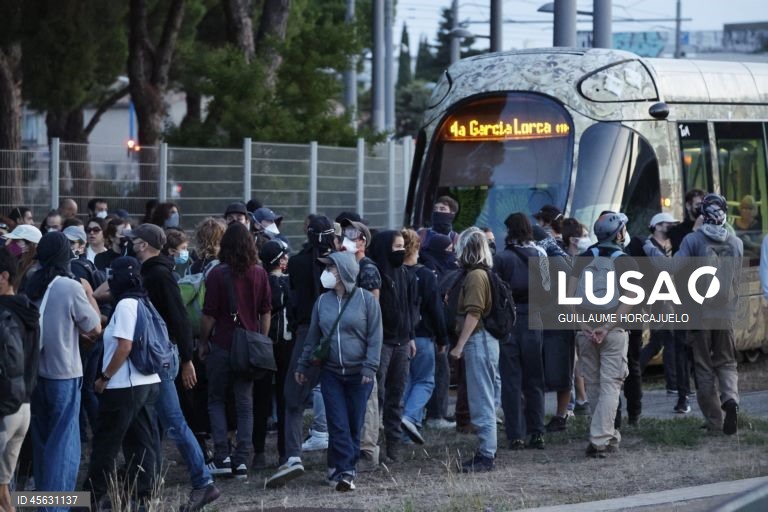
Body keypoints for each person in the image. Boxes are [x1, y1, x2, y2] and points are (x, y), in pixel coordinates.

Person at [125, 223, 219, 502]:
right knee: (152, 421)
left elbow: (178, 316)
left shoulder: (158, 275)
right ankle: (149, 482)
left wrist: (188, 360)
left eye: (135, 241)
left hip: (162, 358)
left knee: (174, 422)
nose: (131, 244)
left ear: (143, 245)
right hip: (160, 356)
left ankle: (203, 481)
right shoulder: (154, 272)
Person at [645, 194, 743, 435]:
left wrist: (649, 249)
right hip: (724, 312)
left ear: (703, 215)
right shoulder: (736, 242)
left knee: (703, 367)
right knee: (727, 361)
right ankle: (730, 398)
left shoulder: (692, 240)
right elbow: (736, 280)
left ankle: (714, 421)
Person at [295, 251, 382, 491]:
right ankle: (346, 471)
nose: (326, 273)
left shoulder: (367, 301)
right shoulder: (322, 302)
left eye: (330, 269)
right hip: (332, 372)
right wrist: (303, 364)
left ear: (344, 272)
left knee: (354, 423)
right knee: (338, 423)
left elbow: (375, 338)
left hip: (359, 374)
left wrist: (370, 367)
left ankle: (338, 466)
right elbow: (313, 337)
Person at [24, 232, 102, 499]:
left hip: (35, 375)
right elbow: (93, 325)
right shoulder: (69, 286)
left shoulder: (31, 283)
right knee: (64, 448)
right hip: (64, 374)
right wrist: (89, 293)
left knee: (42, 443)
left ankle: (40, 501)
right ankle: (56, 507)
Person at [83, 256, 162, 509]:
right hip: (147, 382)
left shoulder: (127, 303)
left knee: (106, 446)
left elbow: (125, 345)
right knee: (141, 444)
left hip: (123, 385)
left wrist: (104, 378)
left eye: (112, 277)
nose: (109, 282)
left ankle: (89, 501)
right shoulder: (143, 300)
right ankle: (144, 498)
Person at [265, 215, 335, 488]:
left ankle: (293, 455)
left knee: (293, 397)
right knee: (337, 397)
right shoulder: (340, 262)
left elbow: (293, 301)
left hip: (308, 333)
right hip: (339, 334)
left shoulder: (296, 263)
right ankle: (338, 463)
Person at [200, 222, 272, 478]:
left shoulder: (217, 274)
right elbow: (266, 311)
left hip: (222, 344)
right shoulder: (260, 273)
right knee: (245, 404)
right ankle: (242, 458)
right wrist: (260, 340)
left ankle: (221, 456)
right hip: (249, 348)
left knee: (216, 400)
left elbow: (209, 315)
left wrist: (202, 342)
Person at [568, 212, 636, 458]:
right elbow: (631, 298)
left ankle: (608, 436)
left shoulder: (582, 258)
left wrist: (583, 325)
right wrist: (606, 326)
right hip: (613, 329)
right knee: (611, 385)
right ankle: (599, 440)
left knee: (594, 384)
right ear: (618, 233)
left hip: (586, 329)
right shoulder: (625, 260)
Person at [448, 227, 499, 472]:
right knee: (485, 396)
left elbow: (474, 312)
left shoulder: (475, 276)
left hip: (478, 341)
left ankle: (487, 454)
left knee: (482, 399)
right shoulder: (481, 273)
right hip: (483, 341)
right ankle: (487, 450)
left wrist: (459, 346)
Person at [495, 214, 548, 448]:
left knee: (511, 379)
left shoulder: (502, 258)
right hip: (535, 318)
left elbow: (497, 293)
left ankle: (515, 434)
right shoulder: (541, 255)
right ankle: (537, 431)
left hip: (510, 320)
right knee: (535, 379)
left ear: (510, 231)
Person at [367, 230, 418, 463]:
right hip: (383, 343)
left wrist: (411, 337)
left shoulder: (405, 274)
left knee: (396, 396)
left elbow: (409, 308)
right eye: (396, 246)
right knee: (377, 396)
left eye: (402, 246)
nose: (401, 251)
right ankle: (371, 445)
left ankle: (393, 446)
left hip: (402, 342)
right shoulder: (374, 275)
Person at [338, 218, 382, 471]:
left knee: (368, 398)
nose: (345, 237)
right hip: (346, 345)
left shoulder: (367, 269)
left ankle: (367, 452)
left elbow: (373, 310)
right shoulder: (345, 266)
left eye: (351, 234)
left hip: (363, 344)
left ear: (363, 241)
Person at [0, 248, 39, 512]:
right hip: (22, 408)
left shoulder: (4, 315)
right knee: (4, 491)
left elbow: (10, 364)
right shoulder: (27, 310)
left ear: (4, 277)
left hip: (6, 409)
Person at [400, 228, 447, 445]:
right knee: (425, 381)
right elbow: (435, 310)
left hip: (397, 337)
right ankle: (409, 418)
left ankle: (408, 430)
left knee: (407, 382)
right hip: (422, 335)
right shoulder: (426, 275)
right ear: (417, 246)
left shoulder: (394, 272)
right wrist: (442, 338)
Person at [639, 213, 683, 405]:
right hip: (659, 299)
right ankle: (673, 385)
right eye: (668, 224)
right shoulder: (649, 247)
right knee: (669, 340)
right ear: (657, 226)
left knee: (658, 341)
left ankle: (631, 374)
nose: (672, 227)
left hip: (665, 297)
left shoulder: (666, 246)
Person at [259, 240, 293, 465]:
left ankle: (259, 451)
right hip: (284, 344)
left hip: (262, 344)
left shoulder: (258, 280)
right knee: (283, 397)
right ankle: (283, 451)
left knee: (260, 397)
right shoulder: (283, 283)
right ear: (280, 260)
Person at [669, 189, 705, 253]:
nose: (701, 208)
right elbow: (679, 254)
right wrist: (695, 229)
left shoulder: (709, 227)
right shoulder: (676, 230)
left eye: (703, 205)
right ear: (688, 206)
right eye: (698, 205)